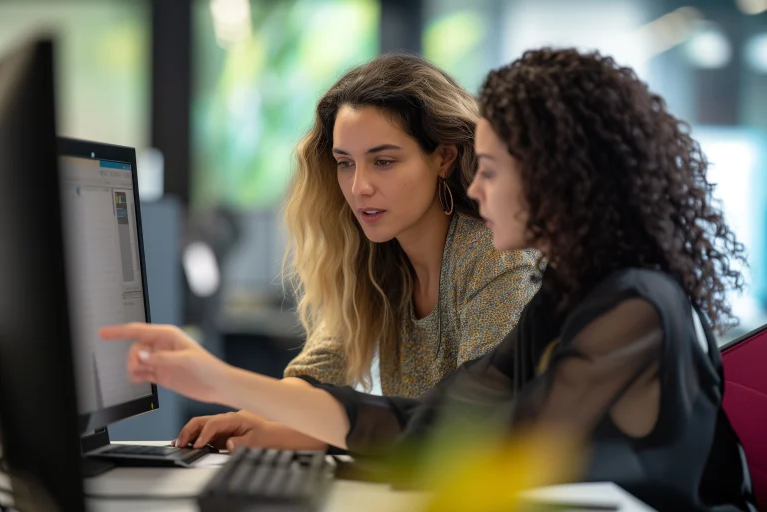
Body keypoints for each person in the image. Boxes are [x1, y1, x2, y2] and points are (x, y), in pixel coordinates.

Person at [101, 48, 755, 510]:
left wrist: (227, 385)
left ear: (555, 177)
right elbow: (436, 427)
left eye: (492, 169)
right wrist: (243, 394)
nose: (476, 185)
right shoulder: (571, 299)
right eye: (345, 163)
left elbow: (494, 457)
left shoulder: (635, 308)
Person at [171, 54, 539, 450]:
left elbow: (470, 430)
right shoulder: (374, 254)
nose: (359, 186)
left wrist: (287, 425)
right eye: (345, 163)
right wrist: (262, 417)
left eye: (383, 161)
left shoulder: (495, 254)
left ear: (444, 158)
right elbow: (322, 367)